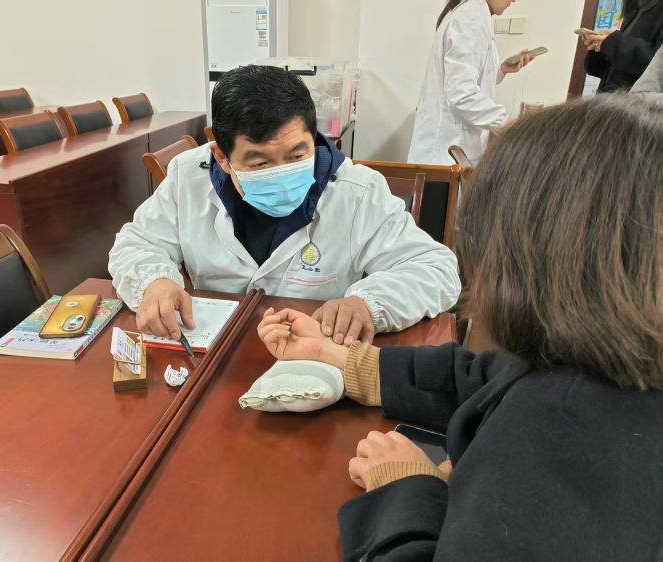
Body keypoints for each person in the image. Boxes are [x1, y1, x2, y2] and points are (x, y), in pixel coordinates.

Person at [258, 94, 663, 560]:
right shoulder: (602, 365)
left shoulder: (560, 435)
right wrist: (346, 361)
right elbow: (486, 379)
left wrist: (407, 488)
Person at [109, 65, 460, 346]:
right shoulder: (189, 176)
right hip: (216, 353)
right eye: (260, 163)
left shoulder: (357, 191)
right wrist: (155, 281)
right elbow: (137, 243)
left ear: (315, 139)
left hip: (314, 355)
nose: (281, 174)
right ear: (222, 156)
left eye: (296, 156)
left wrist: (367, 304)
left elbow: (436, 269)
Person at [408, 0, 532, 166]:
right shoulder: (471, 17)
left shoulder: (470, 12)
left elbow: (464, 79)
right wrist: (508, 124)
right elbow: (461, 93)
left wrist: (501, 70)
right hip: (445, 155)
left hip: (447, 152)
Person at [584, 0, 663, 93]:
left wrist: (614, 44)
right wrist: (600, 47)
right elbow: (615, 73)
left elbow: (657, 65)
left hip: (637, 99)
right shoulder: (634, 8)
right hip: (611, 97)